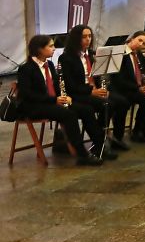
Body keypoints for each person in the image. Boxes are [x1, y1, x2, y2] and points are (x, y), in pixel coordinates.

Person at [16, 35, 104, 166]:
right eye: (50, 46)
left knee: (86, 109)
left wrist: (65, 96)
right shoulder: (26, 68)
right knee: (68, 115)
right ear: (39, 49)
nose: (54, 48)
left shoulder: (50, 64)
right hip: (34, 106)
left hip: (51, 102)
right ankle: (82, 154)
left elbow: (56, 86)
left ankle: (99, 145)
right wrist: (54, 100)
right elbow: (27, 94)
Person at [58, 25, 125, 157]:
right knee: (106, 104)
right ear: (76, 38)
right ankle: (99, 141)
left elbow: (97, 76)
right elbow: (71, 85)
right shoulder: (66, 58)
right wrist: (91, 91)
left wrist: (101, 88)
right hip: (78, 94)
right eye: (84, 37)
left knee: (121, 101)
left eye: (89, 36)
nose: (88, 39)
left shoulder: (92, 54)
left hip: (93, 90)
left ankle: (110, 137)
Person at [110, 30, 145, 144]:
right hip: (122, 89)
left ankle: (139, 130)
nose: (141, 44)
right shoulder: (121, 53)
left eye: (143, 43)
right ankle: (118, 137)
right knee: (125, 103)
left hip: (134, 89)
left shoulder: (137, 54)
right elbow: (118, 79)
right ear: (131, 39)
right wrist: (138, 88)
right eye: (139, 40)